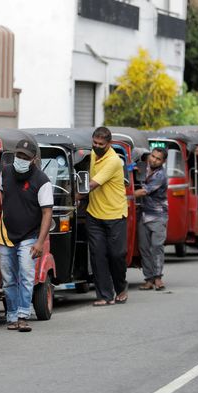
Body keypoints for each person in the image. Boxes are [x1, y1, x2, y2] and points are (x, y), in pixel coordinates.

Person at [0, 139, 53, 332]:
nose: (20, 159)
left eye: (25, 157)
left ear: (33, 159)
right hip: (5, 235)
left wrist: (40, 242)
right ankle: (12, 316)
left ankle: (23, 315)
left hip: (30, 236)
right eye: (18, 155)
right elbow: (3, 198)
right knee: (8, 279)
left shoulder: (42, 180)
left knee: (27, 276)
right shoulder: (5, 172)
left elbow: (47, 213)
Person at [82, 127, 128, 306]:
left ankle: (121, 287)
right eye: (94, 143)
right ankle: (104, 295)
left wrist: (76, 195)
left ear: (109, 144)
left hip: (115, 214)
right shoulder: (93, 154)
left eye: (101, 144)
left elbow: (91, 184)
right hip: (94, 213)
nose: (97, 146)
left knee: (116, 255)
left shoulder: (113, 161)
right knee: (97, 255)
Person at [134, 147, 168, 291]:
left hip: (158, 216)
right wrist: (132, 168)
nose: (153, 160)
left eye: (158, 158)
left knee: (157, 247)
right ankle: (148, 279)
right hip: (143, 214)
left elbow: (144, 191)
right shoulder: (143, 167)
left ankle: (158, 278)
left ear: (163, 161)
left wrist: (123, 195)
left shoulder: (161, 175)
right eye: (152, 156)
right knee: (144, 249)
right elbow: (129, 169)